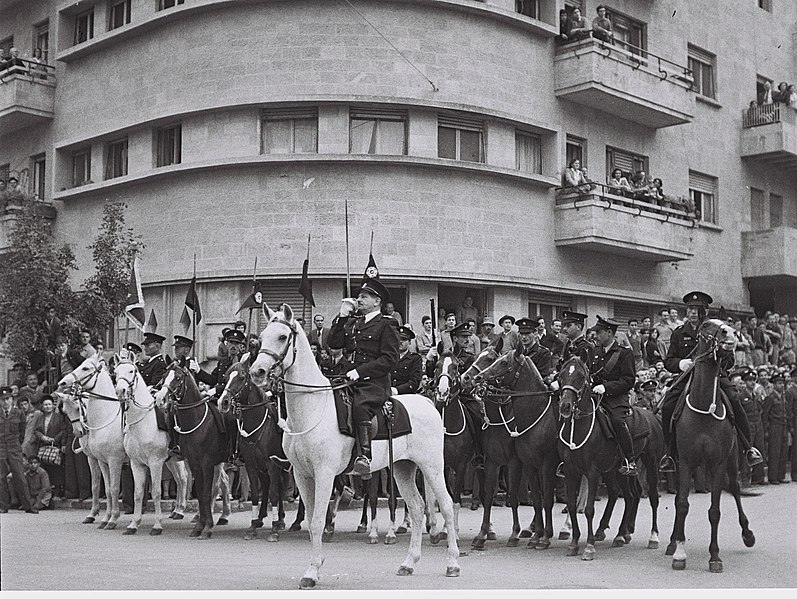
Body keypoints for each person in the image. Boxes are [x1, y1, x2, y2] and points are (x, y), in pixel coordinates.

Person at [658, 292, 763, 473]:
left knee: (735, 401)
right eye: (690, 309)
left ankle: (749, 448)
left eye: (697, 310)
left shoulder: (716, 329)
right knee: (668, 405)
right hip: (688, 377)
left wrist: (720, 362)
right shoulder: (679, 333)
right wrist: (681, 364)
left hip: (715, 376)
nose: (692, 313)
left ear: (704, 312)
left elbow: (729, 360)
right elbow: (669, 361)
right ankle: (669, 453)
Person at [328, 278, 400, 479]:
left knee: (360, 405)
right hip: (348, 378)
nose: (358, 299)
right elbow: (333, 343)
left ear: (377, 301)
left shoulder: (387, 324)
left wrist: (361, 372)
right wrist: (342, 317)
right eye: (358, 296)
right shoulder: (353, 322)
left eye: (363, 296)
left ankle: (364, 456)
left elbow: (390, 359)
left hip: (374, 382)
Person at [589, 316, 638, 475]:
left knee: (617, 421)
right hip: (595, 396)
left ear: (609, 332)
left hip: (616, 398)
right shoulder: (595, 351)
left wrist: (606, 387)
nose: (596, 335)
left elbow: (628, 380)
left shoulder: (624, 353)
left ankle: (630, 460)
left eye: (599, 332)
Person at [0, 386, 37, 513]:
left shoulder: (19, 413)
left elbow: (22, 432)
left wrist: (17, 444)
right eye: (3, 399)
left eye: (8, 399)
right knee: (1, 478)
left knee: (20, 476)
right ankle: (3, 506)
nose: (6, 402)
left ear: (12, 399)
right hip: (1, 448)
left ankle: (28, 506)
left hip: (14, 447)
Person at [34, 395, 66, 498]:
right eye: (45, 405)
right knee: (45, 468)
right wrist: (43, 437)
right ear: (42, 407)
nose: (47, 407)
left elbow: (63, 430)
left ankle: (57, 490)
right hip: (43, 446)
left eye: (49, 404)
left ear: (53, 406)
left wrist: (54, 439)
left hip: (55, 446)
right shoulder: (40, 418)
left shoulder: (59, 417)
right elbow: (36, 430)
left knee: (56, 469)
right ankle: (47, 491)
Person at [762, 373, 788, 484]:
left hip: (783, 425)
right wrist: (766, 430)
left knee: (783, 450)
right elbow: (765, 415)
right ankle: (773, 477)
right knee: (774, 451)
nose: (781, 385)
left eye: (782, 383)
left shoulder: (783, 397)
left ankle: (781, 475)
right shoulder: (770, 398)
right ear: (774, 384)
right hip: (774, 426)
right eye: (779, 383)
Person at [391, 326, 423, 395]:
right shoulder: (389, 357)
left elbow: (414, 382)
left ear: (409, 342)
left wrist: (397, 390)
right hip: (387, 393)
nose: (400, 342)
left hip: (406, 394)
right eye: (398, 339)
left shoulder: (415, 358)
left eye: (404, 339)